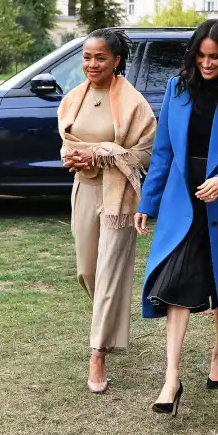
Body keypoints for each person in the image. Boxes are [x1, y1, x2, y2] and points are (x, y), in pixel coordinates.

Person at [133, 19, 218, 416]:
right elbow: (163, 153)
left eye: (215, 57)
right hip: (182, 205)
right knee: (175, 285)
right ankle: (170, 379)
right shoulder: (177, 90)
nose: (207, 64)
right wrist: (148, 203)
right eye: (202, 56)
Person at [58, 28, 157, 393]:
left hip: (120, 196)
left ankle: (97, 353)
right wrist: (74, 158)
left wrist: (101, 152)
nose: (92, 64)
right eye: (87, 57)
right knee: (87, 270)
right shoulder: (73, 99)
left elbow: (145, 151)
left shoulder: (133, 103)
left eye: (100, 57)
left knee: (111, 271)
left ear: (116, 61)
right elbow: (67, 142)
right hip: (85, 189)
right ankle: (107, 319)